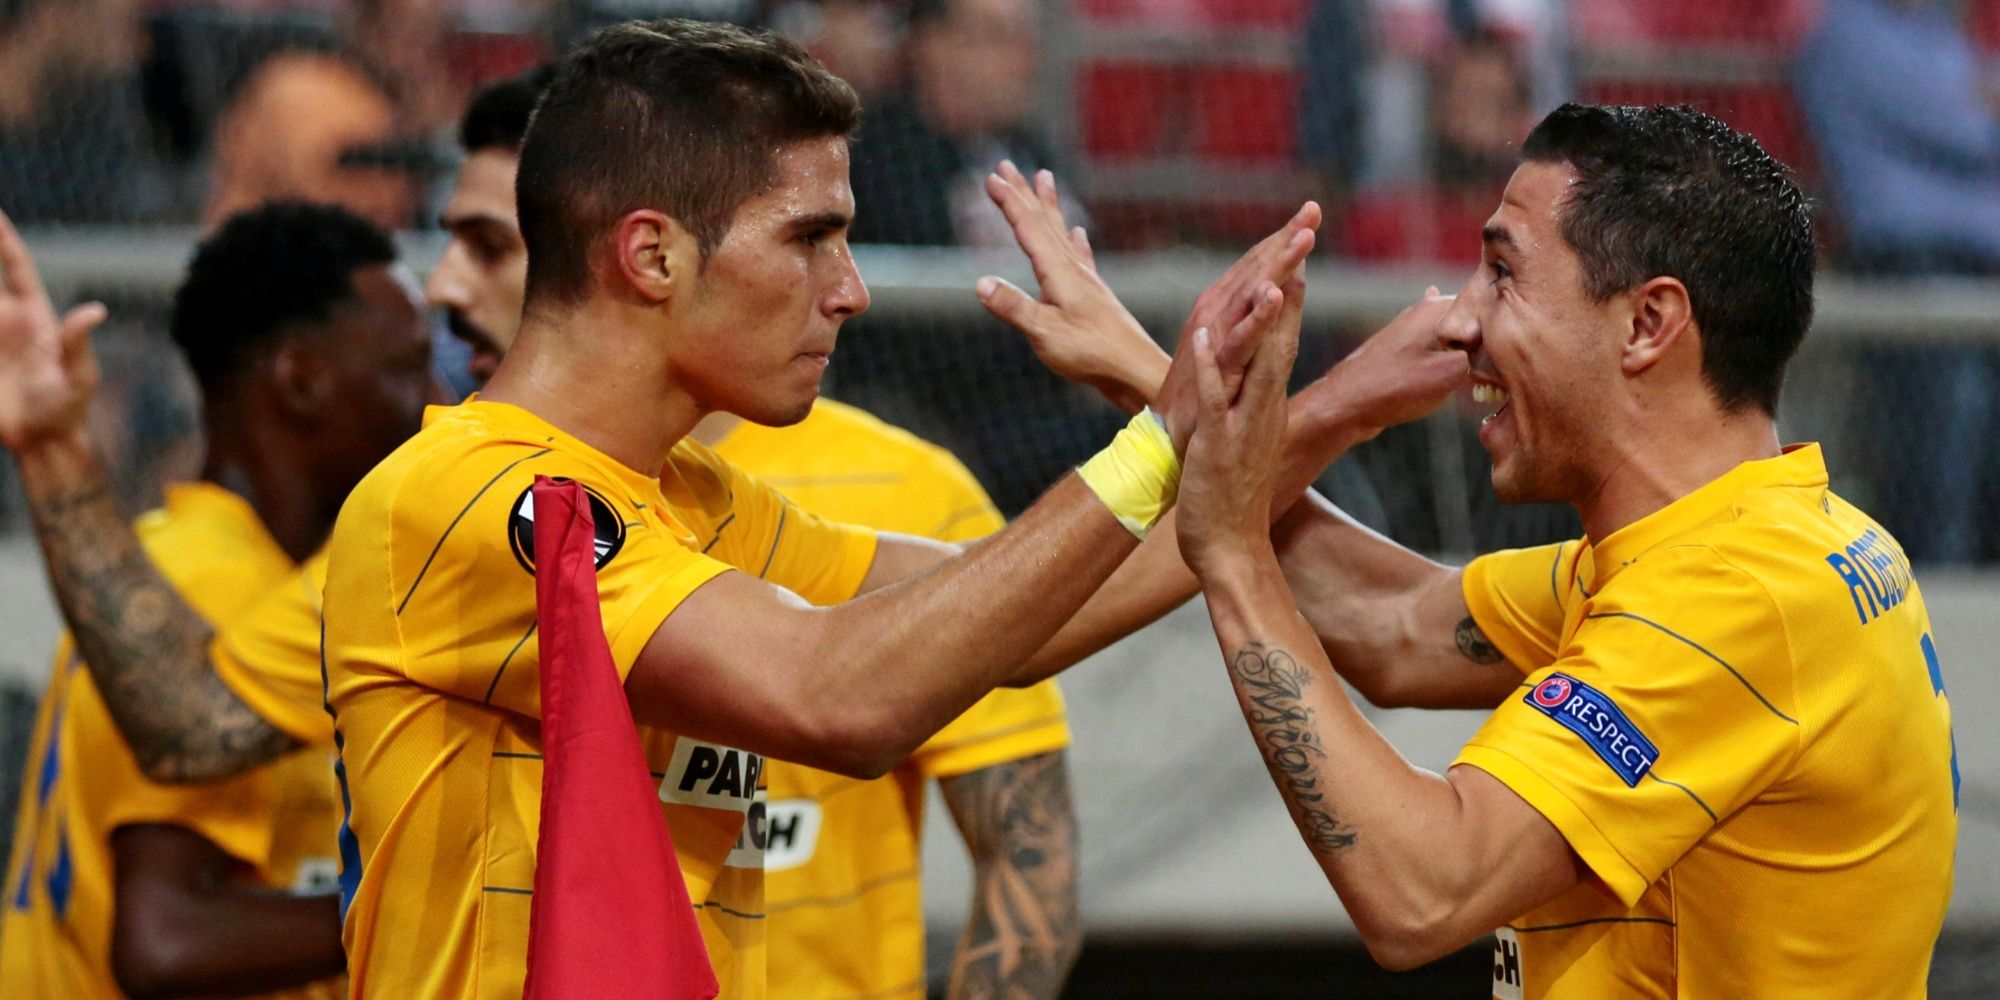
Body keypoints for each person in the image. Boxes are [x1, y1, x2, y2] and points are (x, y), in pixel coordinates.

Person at [1020, 103, 1959, 996]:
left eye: (1502, 275)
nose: (1459, 319)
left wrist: (1229, 558)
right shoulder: (1745, 543)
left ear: (1648, 324)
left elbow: (1425, 890)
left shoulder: (1737, 595)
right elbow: (1390, 624)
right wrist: (1164, 388)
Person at [433, 65, 1083, 999]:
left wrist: (1215, 442)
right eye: (809, 240)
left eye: (491, 247)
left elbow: (1039, 641)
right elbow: (837, 705)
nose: (446, 288)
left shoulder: (769, 498)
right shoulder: (466, 493)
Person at [0, 202, 436, 998]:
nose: (437, 403)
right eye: (406, 368)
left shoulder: (188, 554)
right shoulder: (221, 587)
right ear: (301, 380)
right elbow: (167, 940)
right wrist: (442, 901)